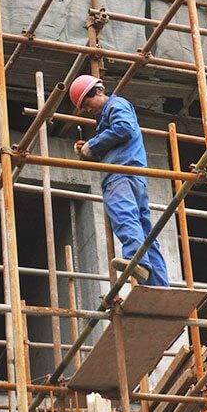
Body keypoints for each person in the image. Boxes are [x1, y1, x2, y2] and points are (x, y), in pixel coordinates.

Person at [69, 75, 169, 287]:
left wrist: (93, 145)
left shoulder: (116, 105)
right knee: (145, 231)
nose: (87, 111)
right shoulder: (110, 115)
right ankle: (159, 286)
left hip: (120, 175)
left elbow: (124, 129)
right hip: (133, 175)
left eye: (86, 105)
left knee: (125, 217)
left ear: (97, 92)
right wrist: (90, 150)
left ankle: (136, 260)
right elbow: (120, 139)